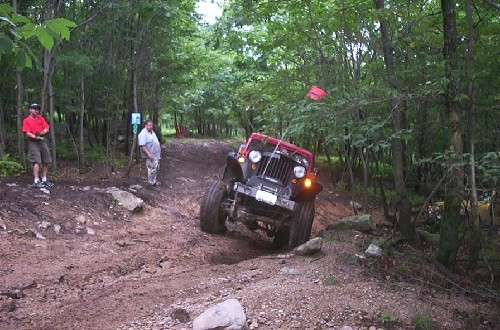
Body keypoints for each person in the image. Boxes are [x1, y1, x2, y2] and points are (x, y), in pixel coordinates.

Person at [21, 103, 54, 188]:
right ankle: (36, 180)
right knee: (36, 161)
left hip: (42, 140)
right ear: (30, 110)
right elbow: (27, 133)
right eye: (34, 109)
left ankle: (44, 179)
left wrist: (43, 132)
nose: (36, 111)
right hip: (33, 142)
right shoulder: (26, 120)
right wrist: (36, 136)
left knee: (47, 159)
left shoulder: (40, 118)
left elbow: (47, 127)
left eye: (37, 109)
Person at [137, 119, 161, 189]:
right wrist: (148, 154)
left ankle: (153, 182)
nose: (151, 126)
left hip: (155, 154)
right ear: (146, 125)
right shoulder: (143, 134)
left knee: (155, 168)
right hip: (149, 155)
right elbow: (142, 145)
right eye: (149, 125)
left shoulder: (152, 132)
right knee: (152, 169)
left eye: (152, 125)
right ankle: (151, 184)